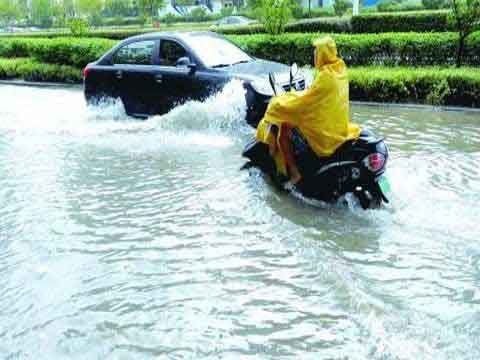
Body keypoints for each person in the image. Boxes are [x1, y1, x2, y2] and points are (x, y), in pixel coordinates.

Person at [256, 36, 361, 186]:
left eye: (317, 52)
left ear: (323, 54)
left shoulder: (325, 76)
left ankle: (294, 173)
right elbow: (314, 96)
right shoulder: (339, 69)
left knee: (284, 129)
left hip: (323, 132)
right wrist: (293, 95)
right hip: (335, 125)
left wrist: (281, 103)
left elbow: (306, 102)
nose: (315, 55)